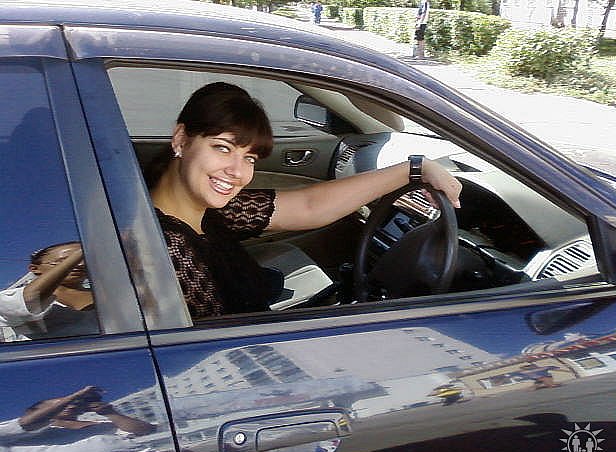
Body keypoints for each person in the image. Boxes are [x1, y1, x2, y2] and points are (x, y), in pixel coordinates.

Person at [147, 82, 462, 320]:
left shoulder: (199, 209)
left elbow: (309, 206)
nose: (238, 172)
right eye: (222, 148)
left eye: (250, 158)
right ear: (181, 139)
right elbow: (221, 345)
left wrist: (413, 169)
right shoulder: (169, 248)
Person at [0, 386, 168, 452]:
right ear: (32, 411)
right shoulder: (12, 429)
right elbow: (29, 423)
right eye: (61, 403)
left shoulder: (101, 424)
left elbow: (145, 430)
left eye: (74, 403)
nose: (71, 404)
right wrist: (73, 396)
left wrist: (111, 413)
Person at [0, 242, 98, 342]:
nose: (81, 264)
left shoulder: (102, 294)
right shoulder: (9, 298)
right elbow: (29, 302)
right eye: (63, 260)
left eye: (85, 260)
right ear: (35, 268)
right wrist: (81, 252)